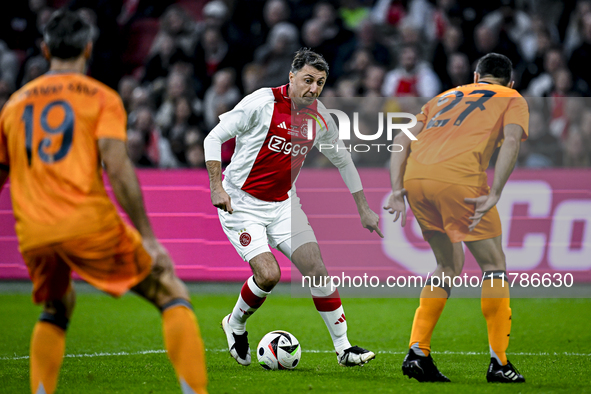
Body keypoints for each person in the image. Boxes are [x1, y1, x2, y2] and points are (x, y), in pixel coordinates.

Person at [0, 10, 207, 394]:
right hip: (85, 221)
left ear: (45, 50)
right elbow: (117, 167)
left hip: (34, 233)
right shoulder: (100, 98)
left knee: (57, 307)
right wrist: (147, 235)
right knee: (170, 291)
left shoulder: (13, 106)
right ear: (88, 48)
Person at [204, 48, 381, 367]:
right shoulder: (261, 103)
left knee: (317, 270)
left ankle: (344, 349)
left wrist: (364, 209)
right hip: (241, 204)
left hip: (284, 204)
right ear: (292, 76)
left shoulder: (320, 117)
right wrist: (216, 186)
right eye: (308, 80)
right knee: (269, 275)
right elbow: (213, 138)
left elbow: (343, 161)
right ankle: (235, 323)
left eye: (320, 83)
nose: (313, 88)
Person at [384, 53, 528, 383]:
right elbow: (510, 141)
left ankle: (418, 353)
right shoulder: (511, 98)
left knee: (447, 264)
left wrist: (396, 189)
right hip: (460, 181)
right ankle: (499, 363)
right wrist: (495, 192)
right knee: (494, 266)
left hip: (416, 180)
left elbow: (401, 139)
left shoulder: (444, 96)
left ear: (476, 76)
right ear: (510, 82)